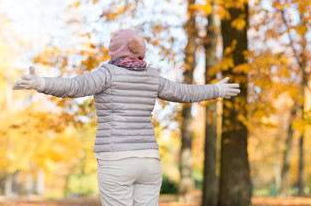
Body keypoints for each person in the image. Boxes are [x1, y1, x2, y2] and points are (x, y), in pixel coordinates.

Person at [13, 29, 240, 206]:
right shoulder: (153, 77)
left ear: (115, 51)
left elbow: (73, 86)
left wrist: (40, 83)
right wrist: (216, 90)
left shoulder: (107, 74)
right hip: (149, 161)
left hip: (116, 159)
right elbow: (185, 93)